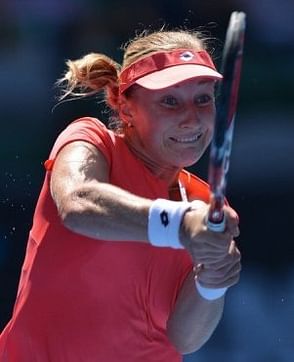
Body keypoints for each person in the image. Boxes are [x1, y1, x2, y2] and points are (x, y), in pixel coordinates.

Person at [0, 27, 242, 361]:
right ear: (125, 108)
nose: (192, 118)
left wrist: (213, 281)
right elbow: (78, 201)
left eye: (203, 98)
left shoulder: (204, 205)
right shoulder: (91, 139)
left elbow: (185, 339)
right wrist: (181, 224)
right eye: (170, 101)